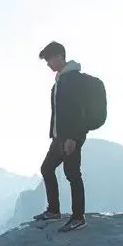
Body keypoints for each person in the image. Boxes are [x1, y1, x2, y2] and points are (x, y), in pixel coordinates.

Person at [34, 41, 88, 232]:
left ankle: (78, 217)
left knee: (72, 174)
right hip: (59, 137)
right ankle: (54, 210)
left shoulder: (73, 79)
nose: (47, 63)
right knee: (47, 169)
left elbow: (80, 111)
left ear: (59, 57)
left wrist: (73, 137)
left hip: (70, 138)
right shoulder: (61, 79)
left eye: (49, 59)